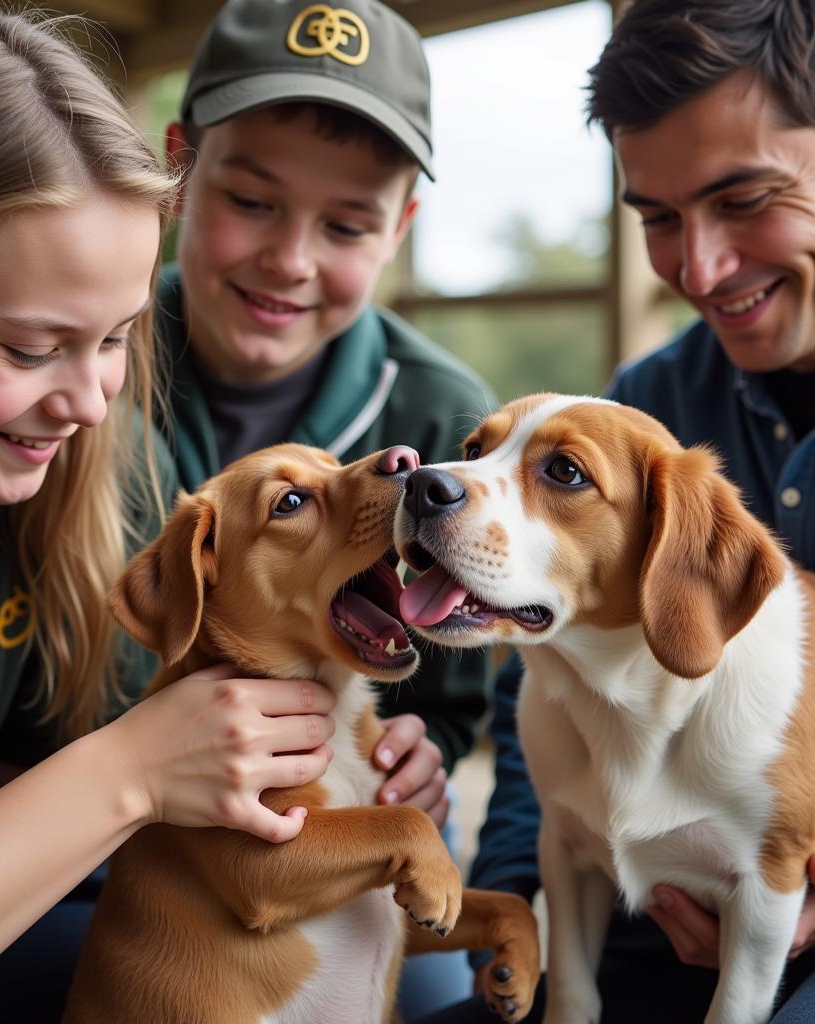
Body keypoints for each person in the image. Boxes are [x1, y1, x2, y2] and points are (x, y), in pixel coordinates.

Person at [0, 6, 339, 1021]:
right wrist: (133, 769)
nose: (88, 399)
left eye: (115, 336)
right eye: (30, 348)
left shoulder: (98, 470)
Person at [414, 1, 815, 1021]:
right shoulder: (646, 405)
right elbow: (542, 693)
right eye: (657, 219)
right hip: (644, 904)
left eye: (745, 198)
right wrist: (519, 927)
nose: (698, 269)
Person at [158, 2, 496, 1012]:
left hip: (331, 853)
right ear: (177, 168)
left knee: (438, 992)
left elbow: (443, 693)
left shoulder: (442, 419)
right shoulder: (72, 371)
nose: (290, 260)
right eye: (252, 202)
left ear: (399, 228)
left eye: (346, 225)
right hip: (98, 862)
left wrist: (415, 758)